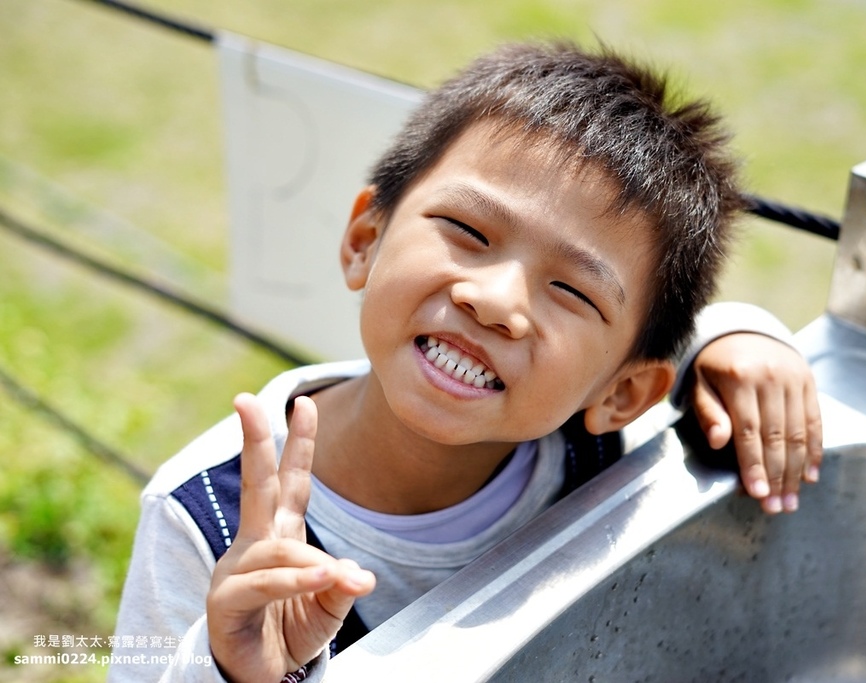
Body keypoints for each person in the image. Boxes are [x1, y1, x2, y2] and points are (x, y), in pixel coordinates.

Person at [110, 41, 822, 683]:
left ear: (621, 395)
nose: (496, 300)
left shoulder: (610, 458)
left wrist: (737, 335)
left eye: (572, 291)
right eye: (467, 231)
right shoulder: (206, 519)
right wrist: (234, 671)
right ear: (364, 240)